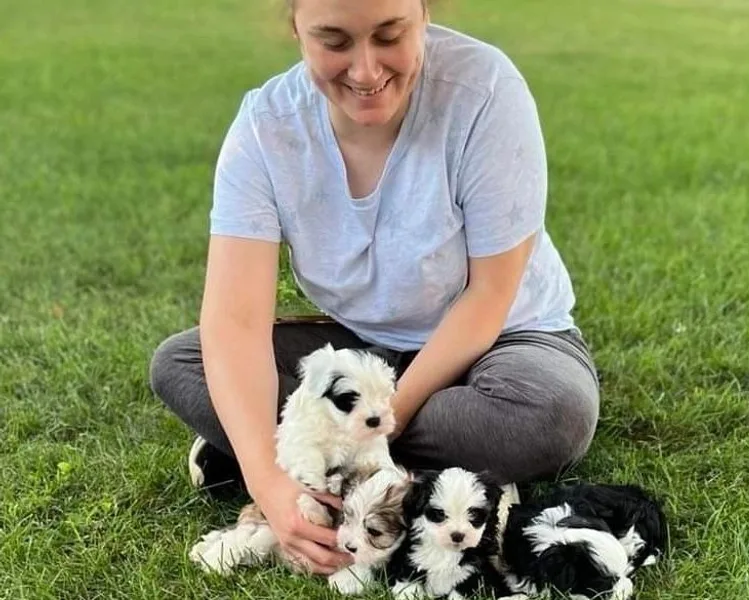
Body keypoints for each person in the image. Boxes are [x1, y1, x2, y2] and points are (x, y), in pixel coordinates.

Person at [149, 0, 600, 577]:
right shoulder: (267, 128)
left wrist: (374, 430)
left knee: (552, 414)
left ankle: (304, 453)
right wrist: (269, 484)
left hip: (505, 340)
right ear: (296, 29)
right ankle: (404, 471)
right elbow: (234, 322)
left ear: (425, 16)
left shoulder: (485, 92)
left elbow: (489, 296)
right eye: (334, 42)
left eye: (390, 36)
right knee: (183, 364)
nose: (365, 71)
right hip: (367, 353)